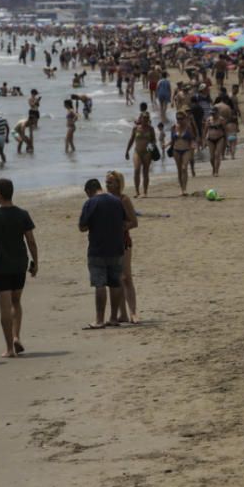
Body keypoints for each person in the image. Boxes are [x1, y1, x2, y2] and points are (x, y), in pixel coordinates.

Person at [0, 179, 38, 358]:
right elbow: (31, 241)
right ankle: (16, 336)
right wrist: (35, 262)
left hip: (1, 265)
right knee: (16, 302)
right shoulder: (23, 214)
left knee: (4, 307)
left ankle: (9, 348)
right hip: (19, 263)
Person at [78, 178, 125, 329]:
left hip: (97, 249)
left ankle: (99, 319)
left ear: (88, 191)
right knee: (115, 283)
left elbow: (82, 226)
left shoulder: (91, 203)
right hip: (116, 248)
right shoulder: (116, 201)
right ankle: (113, 318)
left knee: (100, 284)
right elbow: (125, 220)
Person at [106, 171, 139, 324]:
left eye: (110, 182)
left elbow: (134, 222)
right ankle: (122, 314)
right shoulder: (104, 200)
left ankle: (133, 313)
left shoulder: (124, 199)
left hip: (123, 242)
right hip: (109, 243)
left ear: (118, 183)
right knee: (115, 280)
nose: (107, 185)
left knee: (126, 277)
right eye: (106, 182)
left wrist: (120, 227)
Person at [125, 112, 156, 197]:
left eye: (147, 118)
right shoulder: (135, 128)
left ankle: (145, 192)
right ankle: (137, 191)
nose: (145, 119)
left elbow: (154, 140)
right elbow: (131, 140)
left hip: (147, 152)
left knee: (145, 172)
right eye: (144, 118)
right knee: (136, 170)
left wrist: (150, 149)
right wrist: (127, 151)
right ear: (140, 118)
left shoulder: (151, 129)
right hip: (137, 152)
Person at [168, 111, 197, 195]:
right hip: (176, 150)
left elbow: (192, 138)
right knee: (179, 170)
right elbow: (172, 140)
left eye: (181, 118)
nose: (179, 120)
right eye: (177, 118)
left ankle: (184, 189)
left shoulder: (188, 127)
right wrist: (166, 145)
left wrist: (193, 144)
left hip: (186, 149)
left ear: (184, 118)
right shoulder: (173, 127)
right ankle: (181, 189)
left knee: (184, 168)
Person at [204, 108, 226, 177]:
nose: (213, 115)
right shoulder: (208, 120)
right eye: (211, 113)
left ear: (217, 113)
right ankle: (214, 168)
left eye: (214, 113)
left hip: (220, 138)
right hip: (210, 139)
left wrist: (226, 140)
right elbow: (205, 130)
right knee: (211, 157)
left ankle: (216, 171)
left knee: (217, 154)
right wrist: (204, 141)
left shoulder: (221, 120)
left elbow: (225, 130)